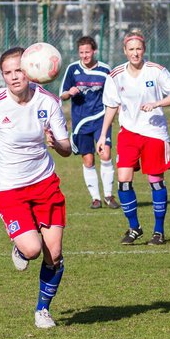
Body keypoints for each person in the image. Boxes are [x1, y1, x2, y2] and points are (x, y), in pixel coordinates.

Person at [0, 46, 73, 329]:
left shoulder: (47, 102)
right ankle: (21, 248)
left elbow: (65, 149)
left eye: (18, 70)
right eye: (7, 72)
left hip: (44, 184)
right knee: (33, 249)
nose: (13, 77)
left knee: (55, 253)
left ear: (30, 70)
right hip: (8, 189)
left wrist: (56, 144)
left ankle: (42, 310)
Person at [97, 29, 170, 245]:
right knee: (123, 181)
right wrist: (102, 136)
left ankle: (159, 231)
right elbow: (111, 106)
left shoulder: (156, 71)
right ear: (124, 51)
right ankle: (134, 227)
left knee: (155, 181)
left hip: (154, 134)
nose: (135, 53)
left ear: (144, 49)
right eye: (131, 49)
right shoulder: (116, 75)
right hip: (128, 132)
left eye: (138, 49)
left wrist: (157, 103)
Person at [58, 35, 115, 209]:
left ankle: (109, 196)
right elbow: (62, 95)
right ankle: (95, 198)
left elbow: (113, 96)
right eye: (81, 52)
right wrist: (70, 92)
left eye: (87, 52)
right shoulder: (72, 69)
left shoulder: (105, 70)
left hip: (100, 119)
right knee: (88, 160)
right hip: (80, 122)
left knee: (105, 155)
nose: (84, 56)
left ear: (94, 51)